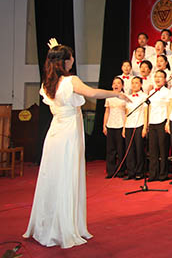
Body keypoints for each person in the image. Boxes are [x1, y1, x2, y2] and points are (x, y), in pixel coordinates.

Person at [24, 42, 129, 249]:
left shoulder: (48, 83)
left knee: (53, 176)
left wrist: (56, 49)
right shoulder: (71, 80)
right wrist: (116, 93)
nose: (73, 59)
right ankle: (64, 226)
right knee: (66, 175)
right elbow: (92, 93)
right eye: (70, 56)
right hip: (69, 132)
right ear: (65, 61)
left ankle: (48, 224)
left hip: (55, 132)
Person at [145, 70, 170, 182]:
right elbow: (149, 108)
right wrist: (147, 123)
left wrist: (168, 122)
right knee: (153, 150)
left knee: (163, 150)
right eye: (156, 77)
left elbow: (169, 107)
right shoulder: (151, 92)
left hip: (162, 121)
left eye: (160, 77)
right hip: (152, 122)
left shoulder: (167, 92)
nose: (158, 79)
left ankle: (163, 174)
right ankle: (153, 174)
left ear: (165, 79)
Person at [123, 76, 147, 180]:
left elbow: (146, 112)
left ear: (141, 84)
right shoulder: (128, 97)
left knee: (139, 149)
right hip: (129, 125)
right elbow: (126, 113)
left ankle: (140, 172)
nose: (134, 85)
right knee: (129, 150)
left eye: (137, 83)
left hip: (139, 124)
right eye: (132, 83)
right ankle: (131, 172)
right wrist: (124, 127)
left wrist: (145, 127)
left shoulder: (144, 96)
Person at [103, 77, 127, 178]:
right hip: (110, 124)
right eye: (114, 83)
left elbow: (127, 113)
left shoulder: (125, 97)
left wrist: (125, 126)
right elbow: (107, 111)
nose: (116, 85)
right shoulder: (109, 97)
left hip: (121, 125)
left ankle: (121, 171)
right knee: (110, 150)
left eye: (118, 83)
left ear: (122, 86)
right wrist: (104, 125)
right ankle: (110, 171)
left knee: (121, 150)